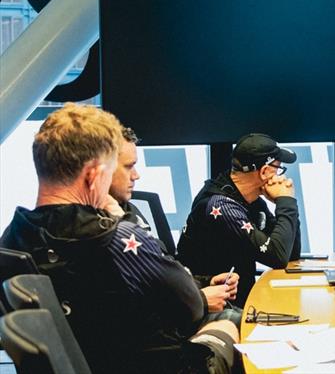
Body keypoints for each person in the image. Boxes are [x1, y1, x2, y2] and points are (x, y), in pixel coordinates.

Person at [0, 103, 239, 373]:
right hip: (157, 365)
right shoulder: (119, 237)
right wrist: (122, 219)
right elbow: (194, 307)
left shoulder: (12, 238)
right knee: (231, 320)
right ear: (94, 176)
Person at [108, 126, 241, 316]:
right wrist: (200, 300)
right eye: (129, 166)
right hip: (169, 326)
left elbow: (163, 270)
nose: (136, 175)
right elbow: (134, 302)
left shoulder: (128, 209)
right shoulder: (103, 230)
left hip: (185, 303)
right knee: (239, 323)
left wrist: (203, 283)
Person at [177, 133, 302, 307]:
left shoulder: (250, 200)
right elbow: (278, 257)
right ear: (264, 171)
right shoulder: (221, 206)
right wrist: (286, 201)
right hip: (214, 307)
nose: (280, 175)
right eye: (278, 168)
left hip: (241, 300)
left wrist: (285, 204)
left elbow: (290, 253)